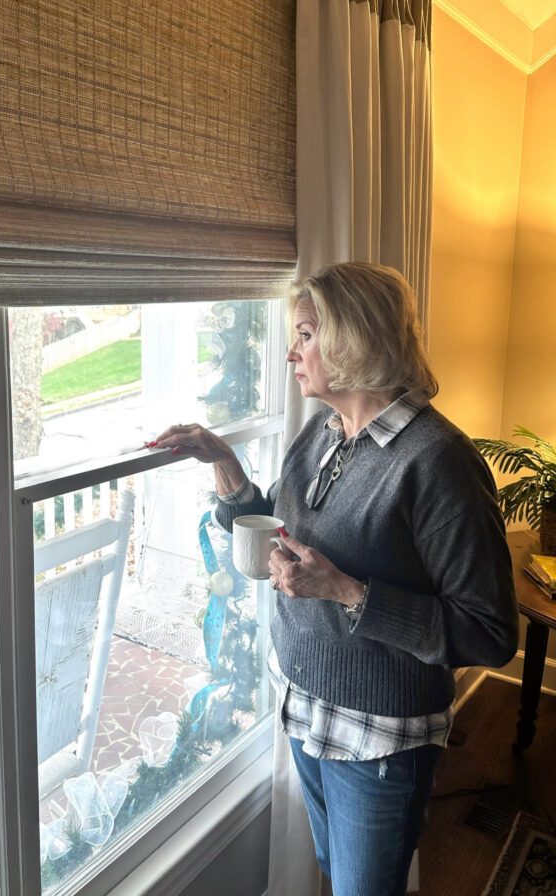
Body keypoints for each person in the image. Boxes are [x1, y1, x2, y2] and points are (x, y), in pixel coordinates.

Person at [152, 261, 519, 896]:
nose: (290, 352)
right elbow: (288, 536)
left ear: (353, 339)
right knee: (335, 872)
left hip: (377, 737)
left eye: (305, 335)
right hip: (306, 704)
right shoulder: (324, 433)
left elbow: (490, 634)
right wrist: (225, 464)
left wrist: (348, 592)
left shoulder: (439, 463)